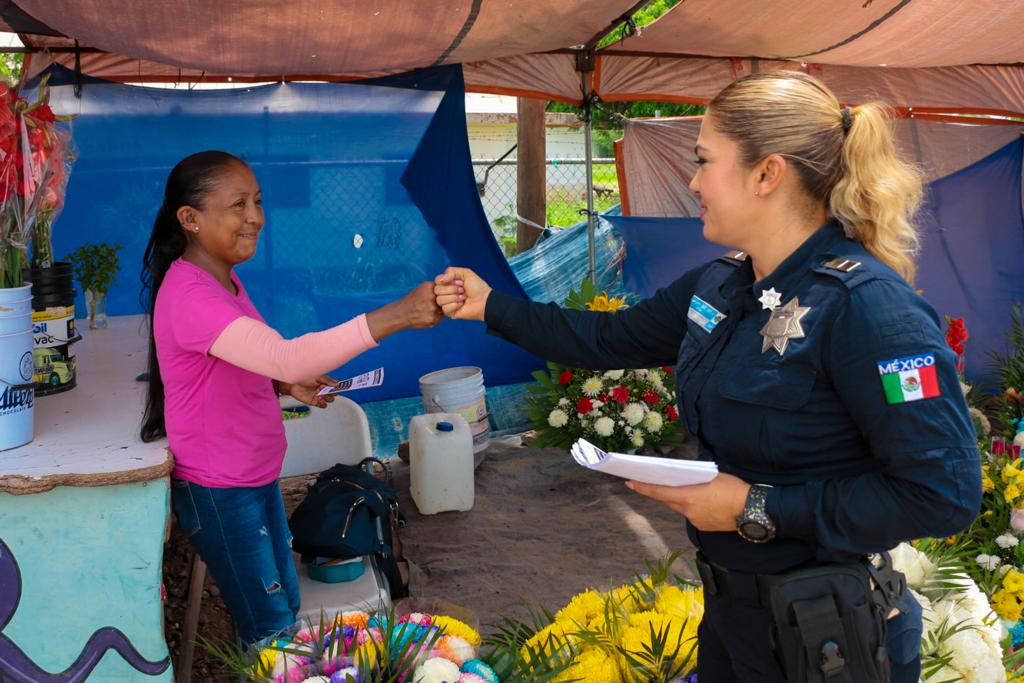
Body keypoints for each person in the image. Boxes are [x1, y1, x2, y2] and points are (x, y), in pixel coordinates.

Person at [434, 72, 981, 682]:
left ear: (767, 174)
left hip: (828, 637)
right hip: (736, 616)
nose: (692, 182)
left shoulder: (869, 308)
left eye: (704, 162)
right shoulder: (722, 284)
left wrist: (760, 508)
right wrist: (490, 305)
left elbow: (943, 493)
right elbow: (606, 339)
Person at [140, 150, 442, 644]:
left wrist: (282, 384)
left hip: (252, 475)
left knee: (285, 611)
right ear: (190, 219)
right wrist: (399, 314)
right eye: (238, 204)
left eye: (257, 201)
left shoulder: (223, 279)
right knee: (270, 630)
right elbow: (284, 355)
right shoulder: (191, 294)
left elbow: (244, 359)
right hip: (221, 489)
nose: (256, 216)